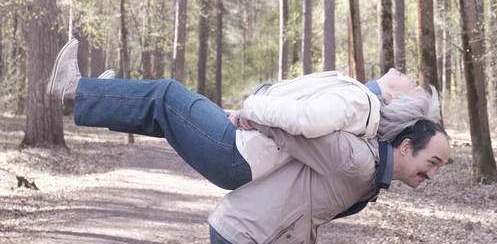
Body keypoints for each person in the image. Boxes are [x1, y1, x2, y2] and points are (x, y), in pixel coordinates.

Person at [47, 39, 450, 243]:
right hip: (243, 156)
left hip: (235, 153)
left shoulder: (359, 104)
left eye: (412, 82)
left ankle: (73, 89)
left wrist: (252, 109)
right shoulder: (356, 106)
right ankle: (105, 96)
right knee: (171, 110)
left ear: (396, 99)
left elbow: (304, 122)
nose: (406, 73)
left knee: (166, 95)